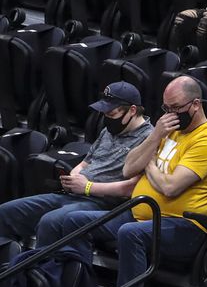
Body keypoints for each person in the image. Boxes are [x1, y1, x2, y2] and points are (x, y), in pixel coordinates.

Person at [47, 77, 207, 287]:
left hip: (184, 227)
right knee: (74, 221)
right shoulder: (167, 132)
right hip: (141, 213)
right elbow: (129, 169)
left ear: (195, 104)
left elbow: (170, 187)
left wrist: (150, 162)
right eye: (165, 108)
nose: (169, 115)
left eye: (175, 108)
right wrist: (155, 136)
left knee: (131, 233)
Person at [0, 82, 152, 259]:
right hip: (73, 194)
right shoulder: (108, 131)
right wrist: (74, 175)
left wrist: (88, 187)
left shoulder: (150, 139)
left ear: (132, 110)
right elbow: (85, 163)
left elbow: (132, 188)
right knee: (6, 211)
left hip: (105, 203)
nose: (107, 118)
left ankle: (44, 279)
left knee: (51, 221)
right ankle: (9, 276)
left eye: (111, 113)